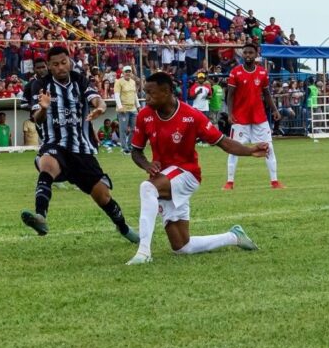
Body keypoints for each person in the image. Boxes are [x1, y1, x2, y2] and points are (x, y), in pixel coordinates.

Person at [126, 72, 267, 265]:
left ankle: (143, 253)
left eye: (150, 93)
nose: (146, 98)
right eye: (145, 93)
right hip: (164, 179)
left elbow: (223, 142)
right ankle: (233, 237)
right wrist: (147, 165)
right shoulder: (145, 116)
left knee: (147, 188)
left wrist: (250, 150)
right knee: (182, 247)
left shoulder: (191, 116)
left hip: (187, 174)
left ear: (166, 92)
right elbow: (136, 152)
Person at [21, 46, 138, 243]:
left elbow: (97, 99)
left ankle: (124, 228)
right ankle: (40, 216)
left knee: (103, 197)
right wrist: (43, 108)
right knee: (47, 164)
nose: (60, 67)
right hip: (55, 144)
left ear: (69, 62)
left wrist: (100, 108)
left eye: (63, 62)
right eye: (55, 64)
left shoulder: (79, 79)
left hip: (81, 149)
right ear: (49, 66)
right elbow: (37, 119)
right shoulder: (39, 86)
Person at [224, 43, 283, 190]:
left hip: (259, 117)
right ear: (242, 54)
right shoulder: (235, 72)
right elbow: (230, 95)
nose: (248, 55)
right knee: (233, 148)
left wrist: (275, 110)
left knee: (269, 148)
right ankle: (229, 182)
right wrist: (230, 113)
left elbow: (267, 94)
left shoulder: (262, 73)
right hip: (240, 118)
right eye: (245, 53)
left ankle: (274, 182)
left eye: (251, 53)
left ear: (256, 55)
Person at [114, 65, 139, 154]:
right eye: (126, 71)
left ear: (131, 72)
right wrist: (120, 106)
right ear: (123, 73)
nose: (128, 73)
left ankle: (129, 145)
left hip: (133, 109)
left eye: (129, 71)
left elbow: (135, 94)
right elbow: (116, 95)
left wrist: (138, 106)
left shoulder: (133, 82)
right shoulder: (118, 82)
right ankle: (124, 148)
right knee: (123, 129)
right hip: (123, 109)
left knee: (134, 129)